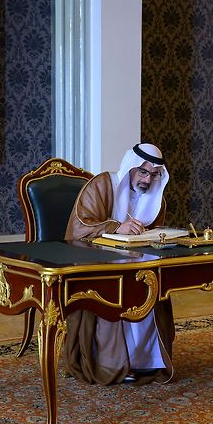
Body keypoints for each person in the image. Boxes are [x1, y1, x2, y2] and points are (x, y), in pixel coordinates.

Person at [63, 143, 175, 385]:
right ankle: (112, 364)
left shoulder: (157, 199)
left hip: (139, 266)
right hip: (99, 266)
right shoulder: (103, 185)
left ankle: (146, 362)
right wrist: (116, 228)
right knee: (116, 294)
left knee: (153, 289)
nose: (147, 180)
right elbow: (79, 228)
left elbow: (153, 233)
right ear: (131, 167)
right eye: (143, 172)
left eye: (154, 174)